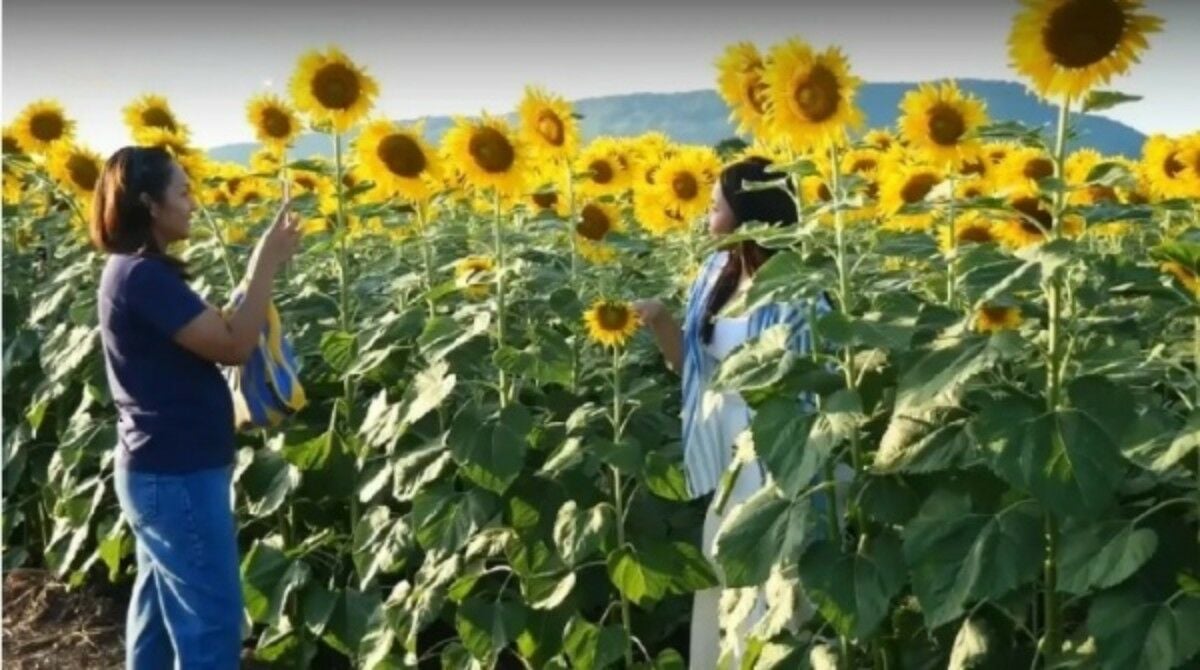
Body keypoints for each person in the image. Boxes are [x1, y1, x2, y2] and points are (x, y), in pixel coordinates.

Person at [90, 146, 300, 669]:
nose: (193, 202)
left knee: (158, 622)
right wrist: (263, 264)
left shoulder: (135, 272)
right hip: (177, 475)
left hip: (161, 471)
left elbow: (207, 336)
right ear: (149, 204)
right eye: (182, 191)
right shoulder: (143, 277)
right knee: (211, 626)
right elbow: (233, 344)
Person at [634, 156, 829, 669]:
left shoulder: (798, 288)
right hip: (725, 460)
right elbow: (691, 369)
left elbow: (816, 388)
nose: (706, 216)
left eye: (716, 206)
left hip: (778, 462)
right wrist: (659, 319)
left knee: (776, 593)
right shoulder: (716, 273)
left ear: (749, 216)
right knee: (727, 585)